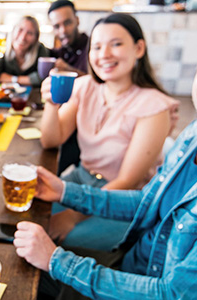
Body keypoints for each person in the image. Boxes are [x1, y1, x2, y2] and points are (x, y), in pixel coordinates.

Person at [15, 1, 197, 299]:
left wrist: (57, 260)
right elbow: (148, 201)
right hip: (132, 268)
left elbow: (174, 295)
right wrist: (66, 192)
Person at [39, 13, 178, 251]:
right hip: (82, 179)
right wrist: (52, 105)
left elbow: (127, 181)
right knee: (31, 213)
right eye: (97, 46)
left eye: (116, 44)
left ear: (139, 48)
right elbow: (52, 140)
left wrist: (72, 215)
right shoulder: (84, 87)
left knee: (63, 244)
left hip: (123, 200)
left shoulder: (155, 107)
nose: (104, 54)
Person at [0, 16, 50, 87]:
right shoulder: (3, 47)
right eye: (20, 30)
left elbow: (43, 78)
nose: (23, 37)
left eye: (30, 33)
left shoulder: (40, 49)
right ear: (13, 30)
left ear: (36, 38)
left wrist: (12, 79)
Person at [47, 0, 89, 76]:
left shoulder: (93, 48)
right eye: (57, 26)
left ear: (77, 20)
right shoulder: (57, 54)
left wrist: (69, 70)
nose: (63, 31)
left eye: (67, 23)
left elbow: (101, 83)